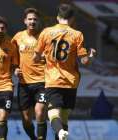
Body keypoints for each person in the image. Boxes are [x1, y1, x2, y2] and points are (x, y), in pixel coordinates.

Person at [33, 3, 96, 140]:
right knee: (65, 117)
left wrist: (43, 57)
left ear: (57, 17)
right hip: (71, 82)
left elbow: (36, 57)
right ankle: (62, 133)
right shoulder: (77, 34)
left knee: (53, 114)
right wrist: (90, 55)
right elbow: (84, 61)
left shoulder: (46, 32)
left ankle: (60, 132)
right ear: (72, 18)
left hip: (53, 80)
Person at [11, 8, 47, 140]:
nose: (32, 21)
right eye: (30, 19)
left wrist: (45, 58)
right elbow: (11, 56)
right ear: (25, 21)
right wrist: (15, 68)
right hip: (24, 84)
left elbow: (54, 56)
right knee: (26, 119)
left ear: (39, 21)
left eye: (35, 19)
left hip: (42, 82)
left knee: (40, 112)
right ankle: (33, 137)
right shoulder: (18, 37)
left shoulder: (45, 37)